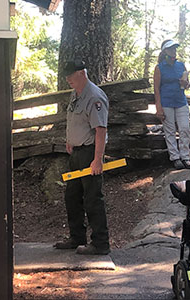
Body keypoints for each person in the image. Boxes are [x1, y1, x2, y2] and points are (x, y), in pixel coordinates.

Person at [54, 59, 110, 255]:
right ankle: (77, 237)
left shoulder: (94, 97)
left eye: (71, 75)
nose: (68, 79)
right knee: (72, 196)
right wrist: (71, 140)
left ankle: (100, 243)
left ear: (82, 73)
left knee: (93, 198)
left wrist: (97, 159)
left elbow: (100, 130)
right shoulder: (75, 94)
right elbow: (76, 120)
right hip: (76, 153)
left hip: (89, 152)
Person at [154, 39, 190, 170]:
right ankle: (175, 157)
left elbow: (187, 84)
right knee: (169, 131)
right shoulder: (159, 68)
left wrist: (185, 84)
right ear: (165, 51)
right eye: (171, 49)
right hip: (166, 102)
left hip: (181, 101)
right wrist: (158, 107)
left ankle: (185, 157)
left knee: (185, 129)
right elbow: (156, 89)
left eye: (175, 49)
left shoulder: (181, 65)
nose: (173, 51)